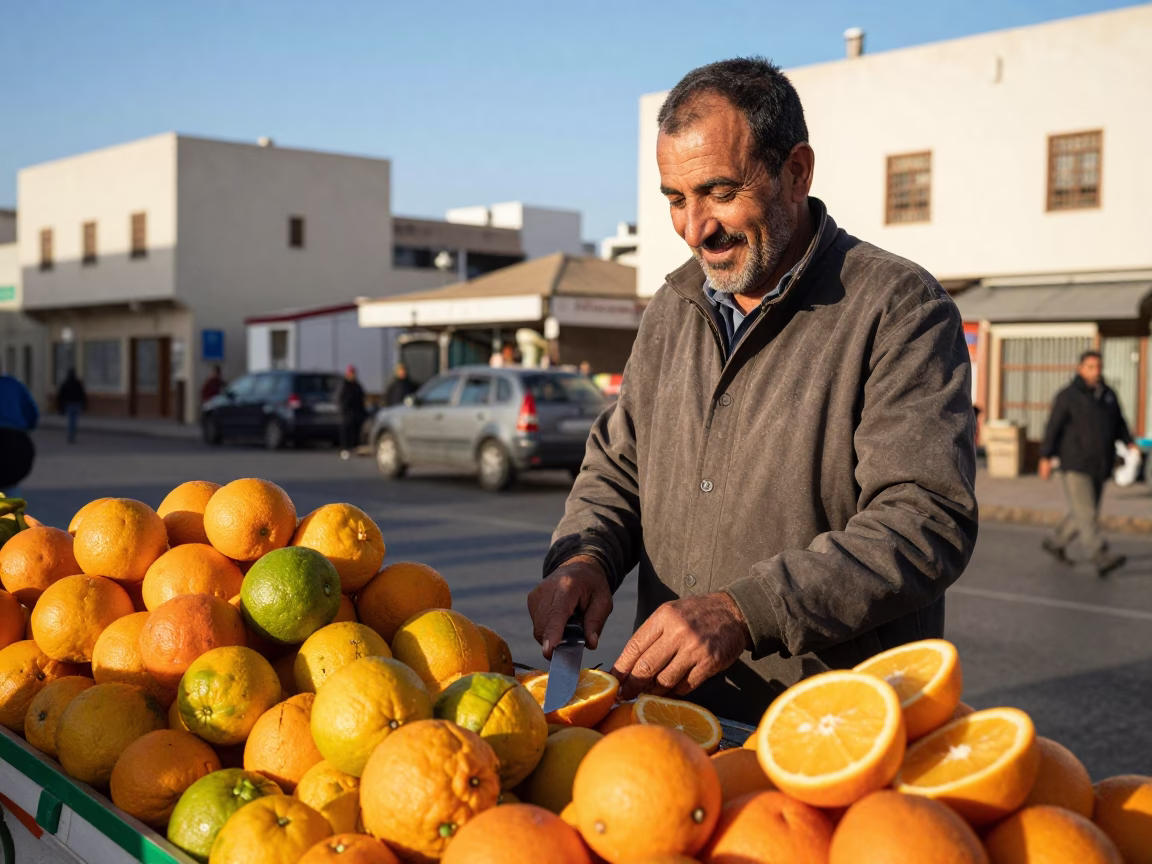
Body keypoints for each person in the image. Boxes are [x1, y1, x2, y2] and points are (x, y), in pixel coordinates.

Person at [526, 57, 977, 724]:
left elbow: (924, 519)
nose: (695, 228)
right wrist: (585, 556)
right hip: (670, 722)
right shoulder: (672, 308)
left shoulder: (899, 308)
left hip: (827, 730)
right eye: (676, 199)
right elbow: (618, 470)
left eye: (719, 191)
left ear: (796, 172)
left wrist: (746, 611)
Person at [1039, 350, 1137, 577]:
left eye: (1098, 367)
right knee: (1088, 513)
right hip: (1075, 463)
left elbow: (1119, 422)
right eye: (1091, 367)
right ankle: (1100, 555)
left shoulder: (1108, 395)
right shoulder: (1068, 396)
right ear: (1080, 369)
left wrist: (1129, 442)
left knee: (1082, 512)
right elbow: (1053, 427)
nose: (1096, 372)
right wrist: (1045, 456)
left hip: (1101, 463)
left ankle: (1056, 542)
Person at [0, 373, 39, 495]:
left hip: (13, 441)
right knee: (11, 486)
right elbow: (32, 415)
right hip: (15, 443)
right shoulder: (14, 385)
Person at [337, 365, 367, 461]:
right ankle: (345, 449)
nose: (352, 375)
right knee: (346, 431)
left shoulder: (357, 385)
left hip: (357, 413)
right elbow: (341, 399)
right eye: (350, 373)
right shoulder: (344, 386)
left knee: (357, 431)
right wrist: (345, 410)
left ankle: (355, 447)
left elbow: (362, 398)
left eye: (353, 373)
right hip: (347, 413)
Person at [55, 369, 87, 444]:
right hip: (76, 404)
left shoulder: (66, 383)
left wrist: (60, 406)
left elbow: (60, 395)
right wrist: (83, 404)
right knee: (74, 420)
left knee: (70, 420)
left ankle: (70, 434)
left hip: (69, 404)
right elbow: (82, 394)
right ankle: (72, 433)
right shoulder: (78, 383)